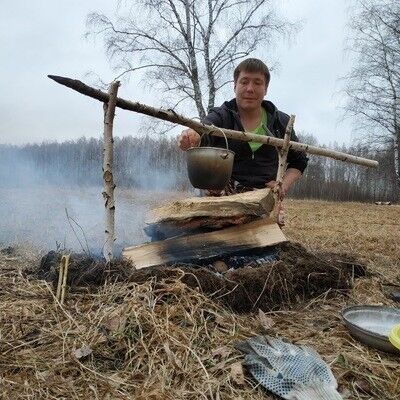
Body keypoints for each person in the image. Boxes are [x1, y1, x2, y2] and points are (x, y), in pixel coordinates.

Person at [178, 58, 308, 202]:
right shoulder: (222, 116)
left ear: (266, 89)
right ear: (235, 86)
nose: (250, 89)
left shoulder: (280, 122)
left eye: (257, 83)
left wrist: (283, 184)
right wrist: (193, 136)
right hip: (220, 200)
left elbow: (300, 160)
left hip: (264, 203)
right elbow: (204, 130)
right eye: (244, 82)